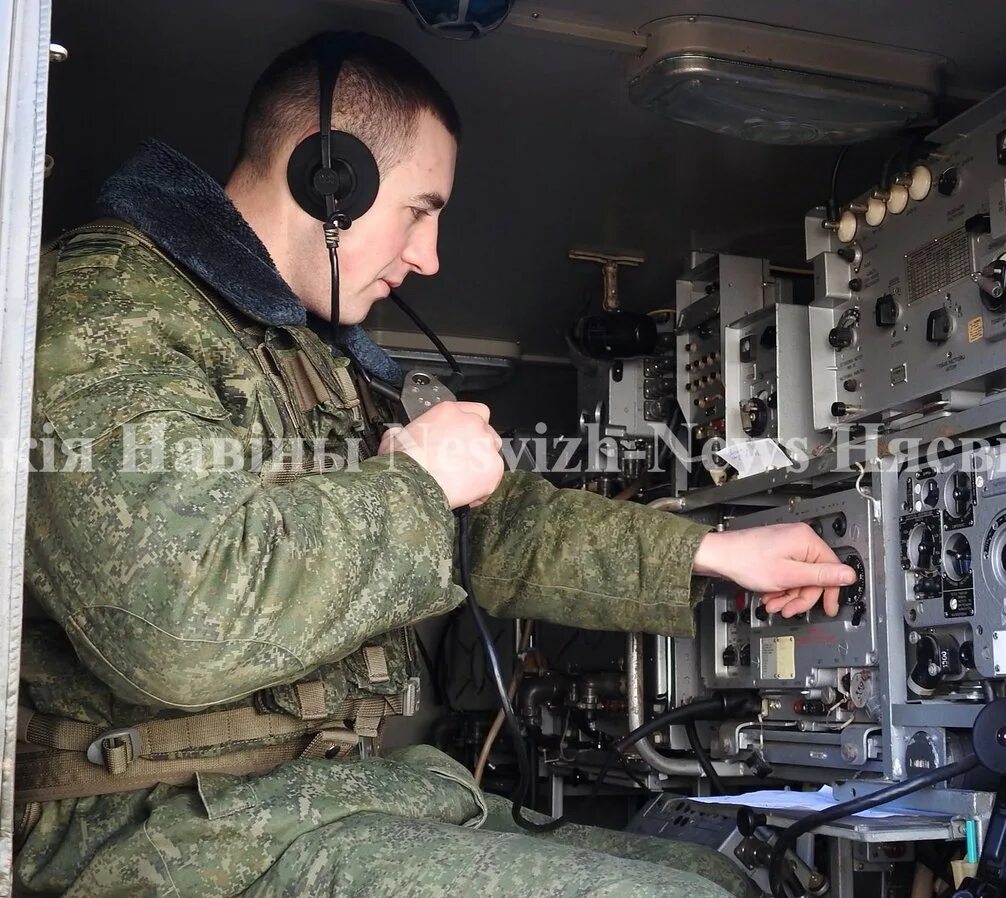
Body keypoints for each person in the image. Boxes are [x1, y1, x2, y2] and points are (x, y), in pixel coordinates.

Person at [16, 31, 857, 898]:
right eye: (420, 209)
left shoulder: (309, 353)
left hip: (312, 803)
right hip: (147, 828)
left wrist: (712, 553)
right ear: (328, 178)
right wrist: (414, 486)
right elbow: (179, 625)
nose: (430, 257)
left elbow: (499, 525)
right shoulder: (109, 311)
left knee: (720, 876)